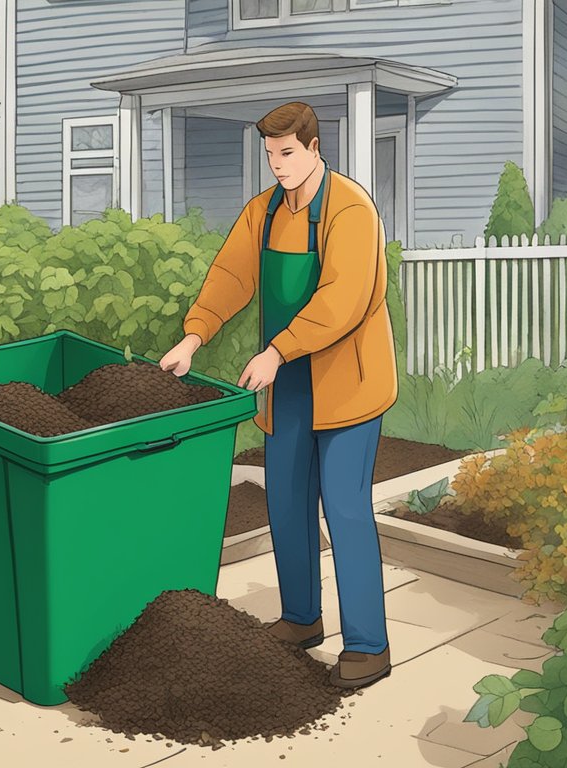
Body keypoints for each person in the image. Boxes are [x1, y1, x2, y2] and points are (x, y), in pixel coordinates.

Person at [158, 101, 398, 690]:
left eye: (287, 154)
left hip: (347, 385)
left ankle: (368, 645)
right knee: (286, 506)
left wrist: (277, 349)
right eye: (270, 156)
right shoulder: (263, 214)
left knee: (343, 509)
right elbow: (231, 277)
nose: (278, 166)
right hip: (285, 385)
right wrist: (194, 337)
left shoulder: (350, 211)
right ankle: (300, 619)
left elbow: (344, 300)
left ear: (315, 149)